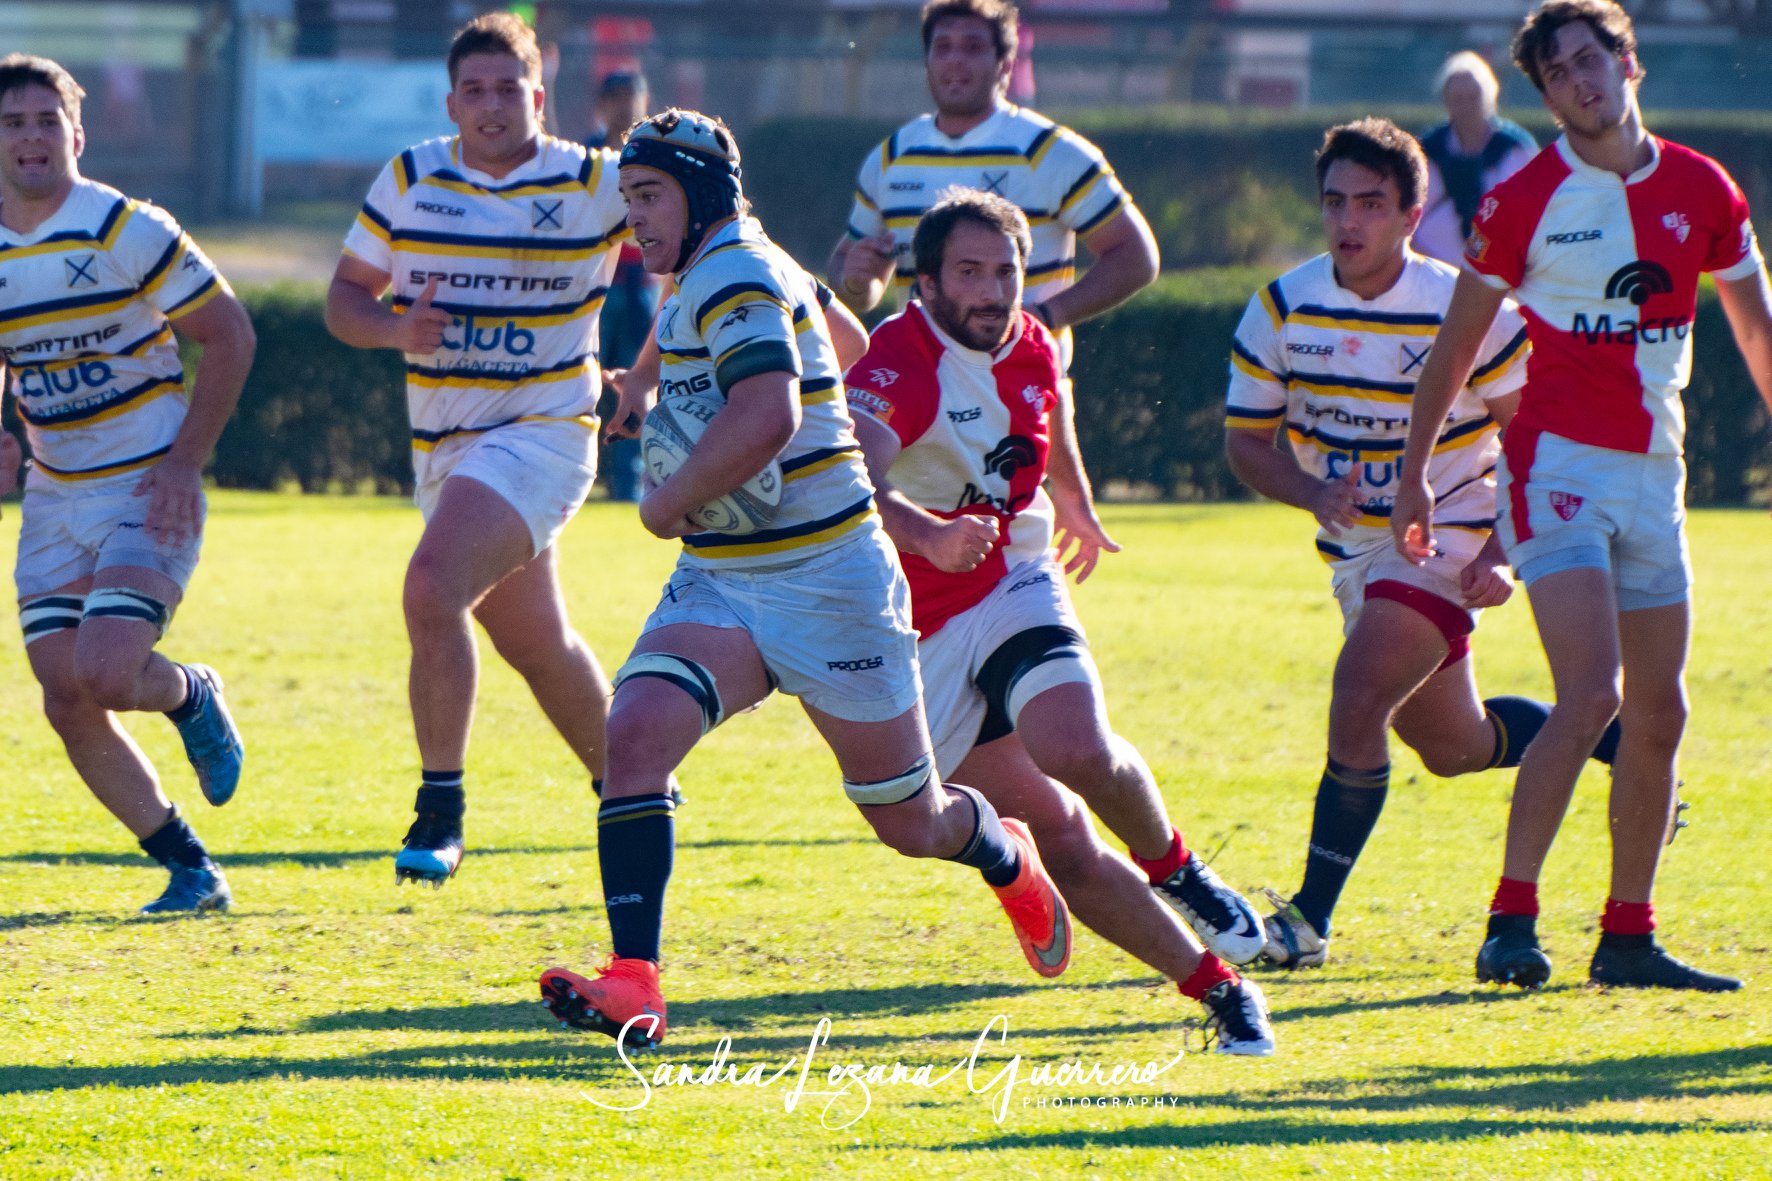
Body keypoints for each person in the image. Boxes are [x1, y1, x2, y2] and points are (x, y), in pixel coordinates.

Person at [539, 110, 1074, 1049]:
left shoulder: (738, 271)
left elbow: (771, 411)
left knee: (911, 820)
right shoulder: (740, 262)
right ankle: (634, 981)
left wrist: (666, 503)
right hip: (727, 578)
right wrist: (648, 386)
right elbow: (851, 340)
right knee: (634, 734)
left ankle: (1001, 849)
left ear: (700, 196)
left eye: (651, 197)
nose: (636, 220)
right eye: (628, 200)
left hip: (833, 581)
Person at [1392, 0, 1772, 992]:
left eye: (1587, 59)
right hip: (1554, 467)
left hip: (1657, 475)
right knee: (1591, 690)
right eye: (1554, 73)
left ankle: (1626, 934)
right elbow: (1454, 352)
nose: (1576, 80)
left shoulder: (1702, 188)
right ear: (1545, 95)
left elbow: (1755, 330)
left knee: (1657, 713)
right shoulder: (1521, 198)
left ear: (1625, 62)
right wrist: (1411, 476)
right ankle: (1507, 920)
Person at [847, 189, 1273, 1053]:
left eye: (1007, 270)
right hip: (912, 628)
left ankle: (1178, 868)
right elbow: (855, 479)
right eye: (969, 272)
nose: (994, 291)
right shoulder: (899, 355)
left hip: (1012, 579)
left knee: (1078, 745)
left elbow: (1050, 406)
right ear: (925, 283)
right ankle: (1219, 986)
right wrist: (928, 532)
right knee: (1066, 840)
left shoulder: (1035, 342)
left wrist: (1071, 500)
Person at [1223, 117, 1620, 968]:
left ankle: (1306, 922)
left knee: (1359, 695)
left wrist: (1504, 553)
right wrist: (1309, 490)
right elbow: (1246, 442)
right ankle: (1611, 737)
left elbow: (1530, 442)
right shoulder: (1282, 307)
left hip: (1450, 531)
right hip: (1355, 552)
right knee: (1453, 746)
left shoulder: (1464, 308)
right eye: (1335, 202)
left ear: (1414, 211)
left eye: (1371, 203)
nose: (1348, 222)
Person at [325, 13, 624, 887]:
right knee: (538, 642)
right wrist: (395, 328)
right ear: (451, 101)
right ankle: (637, 785)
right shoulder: (412, 175)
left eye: (510, 90)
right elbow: (345, 300)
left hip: (548, 432)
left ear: (541, 95)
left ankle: (440, 808)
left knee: (431, 587)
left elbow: (692, 256)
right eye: (475, 91)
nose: (492, 107)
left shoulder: (596, 182)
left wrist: (642, 373)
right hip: (445, 445)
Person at [0, 54, 253, 913]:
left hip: (149, 483)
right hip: (55, 495)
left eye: (44, 121)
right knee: (65, 694)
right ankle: (191, 869)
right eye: (11, 123)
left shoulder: (126, 227)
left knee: (108, 670)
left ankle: (191, 692)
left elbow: (231, 334)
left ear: (77, 133)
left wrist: (185, 460)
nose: (29, 137)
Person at [827, 0, 1155, 589]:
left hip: (1023, 394)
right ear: (925, 60)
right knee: (905, 581)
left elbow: (1137, 255)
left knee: (1017, 590)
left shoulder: (1049, 151)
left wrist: (1044, 315)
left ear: (1006, 63)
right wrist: (858, 273)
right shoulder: (892, 156)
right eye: (943, 46)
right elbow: (863, 280)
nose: (956, 62)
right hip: (917, 405)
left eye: (974, 47)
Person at [585, 70, 656, 502]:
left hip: (639, 278)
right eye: (615, 96)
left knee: (636, 379)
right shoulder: (589, 155)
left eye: (631, 96)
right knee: (586, 377)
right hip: (598, 280)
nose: (623, 105)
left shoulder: (652, 151)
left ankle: (632, 483)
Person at [1415, 52, 1538, 266]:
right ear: (1446, 101)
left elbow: (1533, 213)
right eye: (1458, 99)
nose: (1466, 106)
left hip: (1501, 272)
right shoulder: (1428, 150)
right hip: (1433, 268)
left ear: (1491, 97)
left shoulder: (1515, 148)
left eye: (1474, 97)